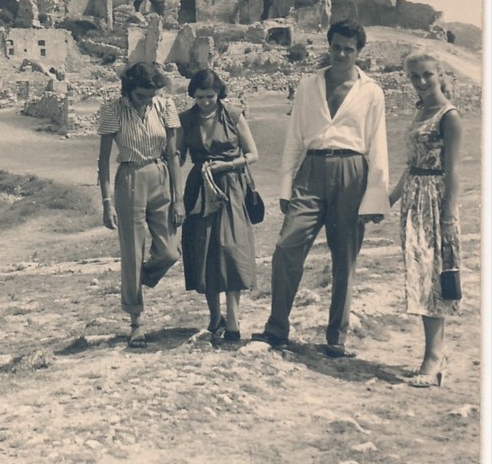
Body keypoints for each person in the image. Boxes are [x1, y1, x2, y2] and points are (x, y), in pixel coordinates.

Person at [253, 19, 389, 357]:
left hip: (352, 171)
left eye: (349, 49)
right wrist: (286, 188)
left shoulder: (371, 91)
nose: (341, 53)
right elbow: (294, 139)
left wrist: (375, 196)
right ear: (327, 46)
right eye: (336, 47)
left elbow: (378, 145)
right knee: (286, 248)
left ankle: (336, 337)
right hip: (310, 171)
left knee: (344, 257)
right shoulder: (307, 86)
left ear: (359, 52)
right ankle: (276, 328)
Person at [97, 62, 184, 347]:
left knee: (170, 252)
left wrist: (178, 197)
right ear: (128, 90)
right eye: (141, 96)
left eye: (151, 95)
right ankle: (136, 322)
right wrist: (107, 201)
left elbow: (173, 154)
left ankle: (139, 278)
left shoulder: (164, 105)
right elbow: (103, 159)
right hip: (130, 177)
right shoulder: (113, 109)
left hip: (159, 175)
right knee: (132, 252)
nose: (147, 101)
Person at [388, 51, 462, 387]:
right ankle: (437, 351)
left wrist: (448, 216)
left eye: (427, 75)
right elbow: (411, 164)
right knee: (419, 275)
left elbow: (453, 171)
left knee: (432, 277)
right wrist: (389, 199)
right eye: (414, 76)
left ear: (440, 74)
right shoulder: (420, 111)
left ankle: (433, 357)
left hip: (435, 200)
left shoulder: (449, 116)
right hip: (414, 198)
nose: (421, 82)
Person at [177, 69, 258, 343]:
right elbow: (177, 156)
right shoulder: (186, 119)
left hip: (232, 187)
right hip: (199, 190)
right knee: (204, 251)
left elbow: (253, 154)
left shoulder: (233, 115)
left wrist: (229, 165)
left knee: (231, 250)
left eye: (210, 96)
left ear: (219, 93)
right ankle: (215, 317)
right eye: (199, 97)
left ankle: (233, 319)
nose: (205, 102)